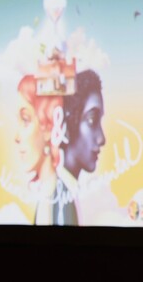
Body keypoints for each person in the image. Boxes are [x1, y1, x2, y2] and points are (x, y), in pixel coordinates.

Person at [56, 68, 107, 224]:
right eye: (92, 120)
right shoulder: (59, 197)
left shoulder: (67, 192)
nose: (102, 139)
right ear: (67, 123)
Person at [15, 74, 64, 225]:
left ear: (48, 127)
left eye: (25, 120)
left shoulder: (59, 196)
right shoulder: (48, 192)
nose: (16, 137)